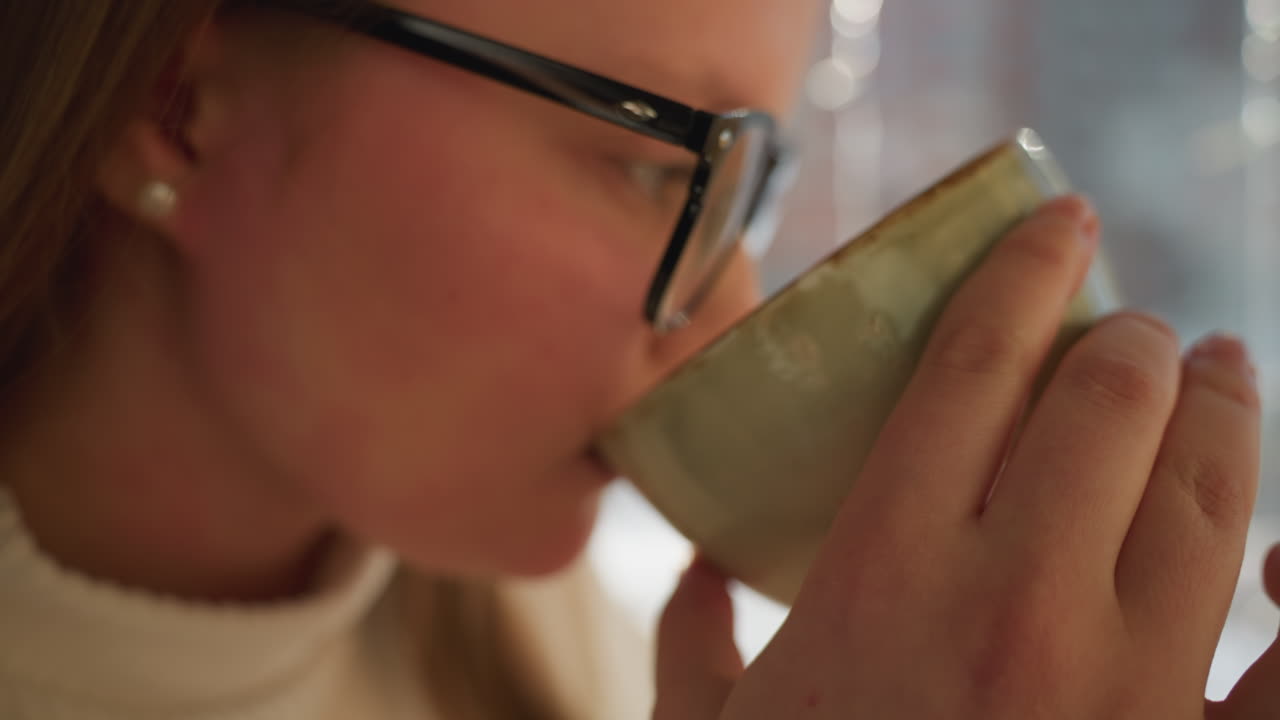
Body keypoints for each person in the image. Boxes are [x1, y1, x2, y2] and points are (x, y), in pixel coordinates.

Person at [0, 1, 1277, 718]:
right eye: (656, 166)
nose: (724, 312)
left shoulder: (569, 661)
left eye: (751, 192)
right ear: (174, 109)